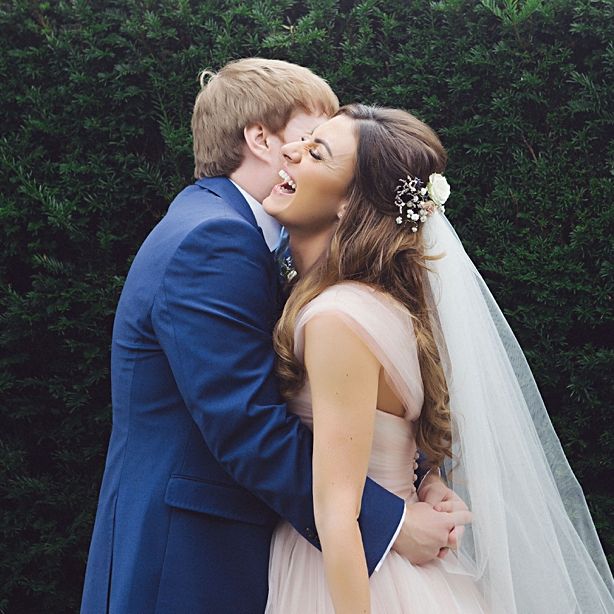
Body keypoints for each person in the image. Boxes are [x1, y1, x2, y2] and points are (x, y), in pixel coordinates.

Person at [80, 60, 469, 614]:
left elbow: (374, 393)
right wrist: (393, 522)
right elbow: (248, 422)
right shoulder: (213, 240)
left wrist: (420, 474)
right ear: (261, 139)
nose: (301, 153)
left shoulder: (295, 257)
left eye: (318, 149)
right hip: (188, 555)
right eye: (309, 136)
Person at [262, 104, 614, 613]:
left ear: (351, 204)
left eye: (317, 152)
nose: (291, 150)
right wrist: (429, 480)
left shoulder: (336, 319)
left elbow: (337, 512)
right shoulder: (388, 305)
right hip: (402, 566)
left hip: (347, 574)